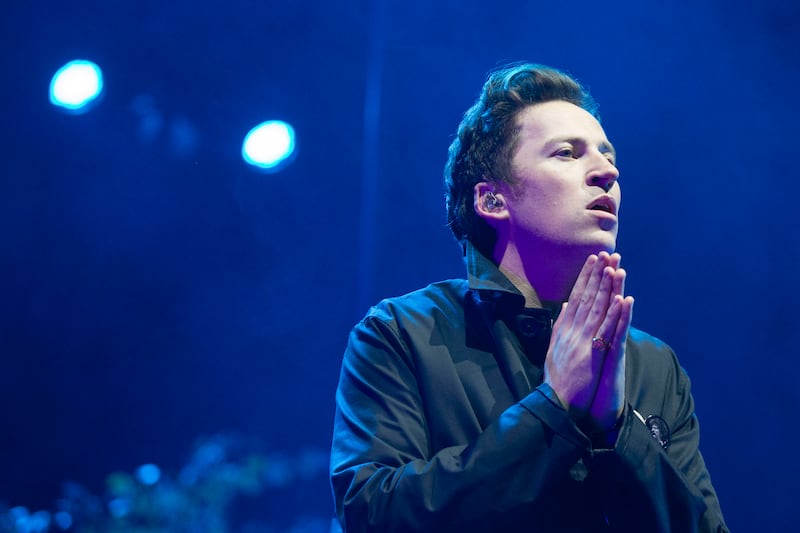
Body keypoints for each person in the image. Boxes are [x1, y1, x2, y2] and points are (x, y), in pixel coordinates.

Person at [329, 62, 728, 532]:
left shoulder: (654, 364)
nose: (607, 171)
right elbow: (373, 516)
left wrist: (617, 430)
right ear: (493, 200)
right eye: (566, 153)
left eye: (606, 154)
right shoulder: (403, 335)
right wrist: (554, 407)